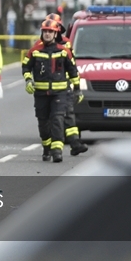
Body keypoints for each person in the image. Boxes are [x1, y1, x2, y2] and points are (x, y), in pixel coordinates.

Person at [22, 18, 80, 163]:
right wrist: (28, 80)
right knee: (43, 123)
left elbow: (73, 71)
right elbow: (26, 67)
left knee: (57, 120)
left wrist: (77, 90)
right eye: (45, 31)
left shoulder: (63, 51)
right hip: (41, 94)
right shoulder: (35, 51)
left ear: (55, 34)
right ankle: (47, 148)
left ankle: (57, 151)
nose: (47, 34)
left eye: (50, 32)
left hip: (59, 94)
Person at [46, 13, 88, 156]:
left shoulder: (65, 43)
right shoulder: (42, 44)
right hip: (50, 86)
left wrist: (76, 86)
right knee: (53, 116)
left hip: (63, 83)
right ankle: (52, 145)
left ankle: (74, 143)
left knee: (68, 113)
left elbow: (71, 64)